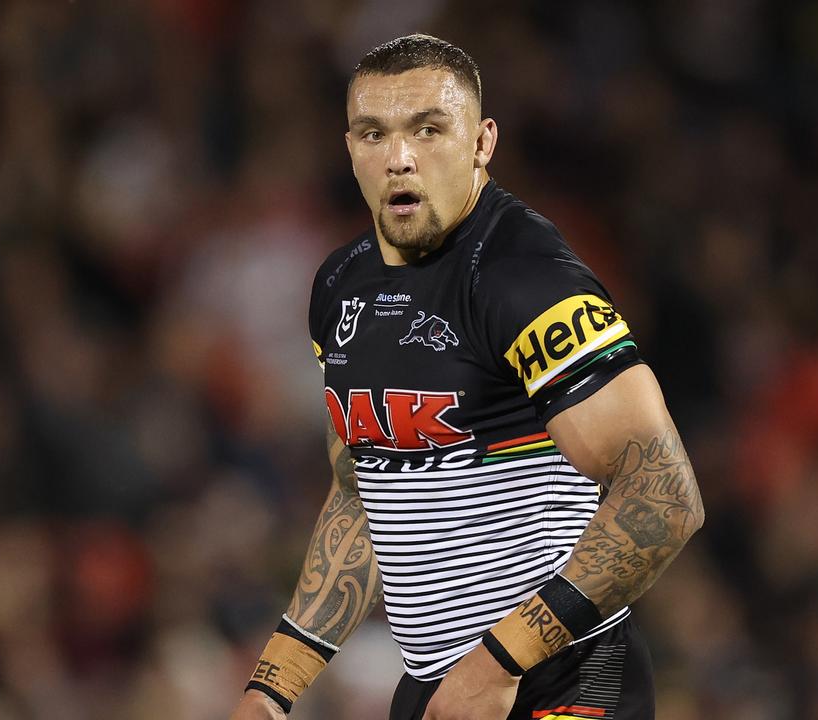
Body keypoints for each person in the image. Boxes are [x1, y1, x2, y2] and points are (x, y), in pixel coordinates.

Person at [229, 33, 704, 720]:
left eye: (428, 129)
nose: (399, 158)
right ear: (350, 149)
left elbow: (665, 498)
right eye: (374, 133)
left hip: (579, 674)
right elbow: (361, 500)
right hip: (438, 688)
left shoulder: (526, 277)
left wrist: (498, 662)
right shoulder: (338, 286)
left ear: (482, 142)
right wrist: (273, 687)